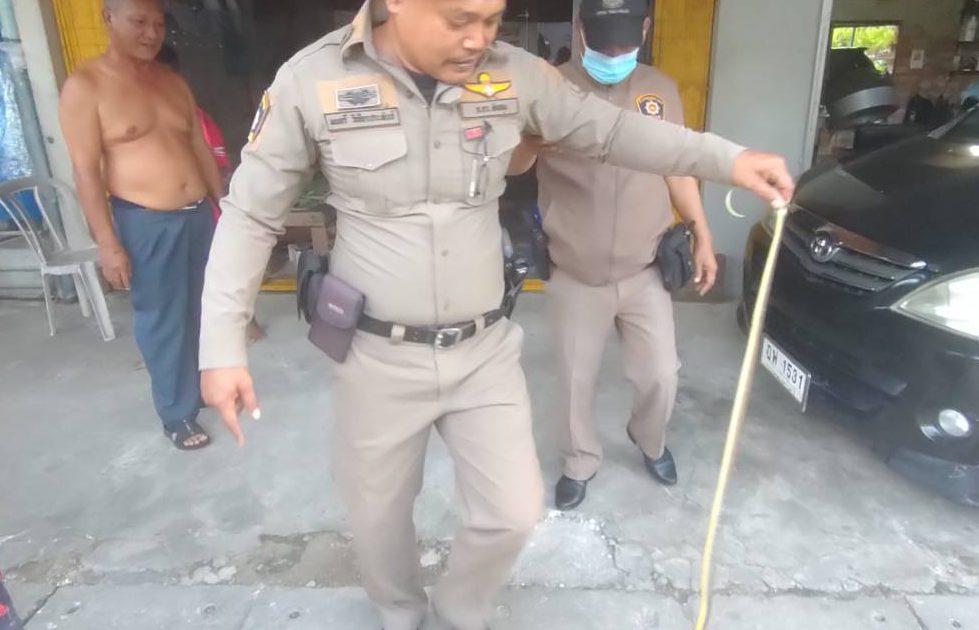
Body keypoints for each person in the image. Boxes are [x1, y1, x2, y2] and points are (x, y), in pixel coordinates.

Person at [199, 0, 793, 627]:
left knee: (514, 512)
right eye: (460, 20)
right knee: (377, 519)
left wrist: (728, 159)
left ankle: (459, 611)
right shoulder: (312, 80)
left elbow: (614, 131)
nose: (478, 38)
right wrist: (221, 345)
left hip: (482, 351)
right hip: (377, 358)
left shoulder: (516, 74)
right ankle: (401, 614)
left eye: (491, 19)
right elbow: (251, 214)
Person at [506, 0, 717, 511]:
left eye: (625, 43)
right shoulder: (548, 87)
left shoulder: (660, 89)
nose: (614, 54)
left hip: (644, 270)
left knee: (661, 375)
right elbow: (510, 167)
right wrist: (531, 145)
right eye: (603, 44)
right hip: (576, 271)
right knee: (575, 381)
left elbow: (678, 167)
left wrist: (703, 233)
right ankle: (579, 462)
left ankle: (650, 440)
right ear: (580, 30)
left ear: (644, 28)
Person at [59, 0, 223, 450]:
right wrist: (107, 243)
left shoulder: (172, 81)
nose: (151, 33)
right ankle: (177, 414)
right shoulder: (86, 86)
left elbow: (198, 146)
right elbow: (86, 172)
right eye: (139, 22)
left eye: (158, 24)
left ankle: (199, 387)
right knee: (163, 319)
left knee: (203, 309)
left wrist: (223, 205)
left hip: (197, 215)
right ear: (107, 18)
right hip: (147, 221)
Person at [157, 43, 267, 343]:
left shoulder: (193, 116)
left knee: (221, 271)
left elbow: (214, 161)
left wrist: (219, 203)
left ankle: (245, 325)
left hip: (203, 205)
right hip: (182, 210)